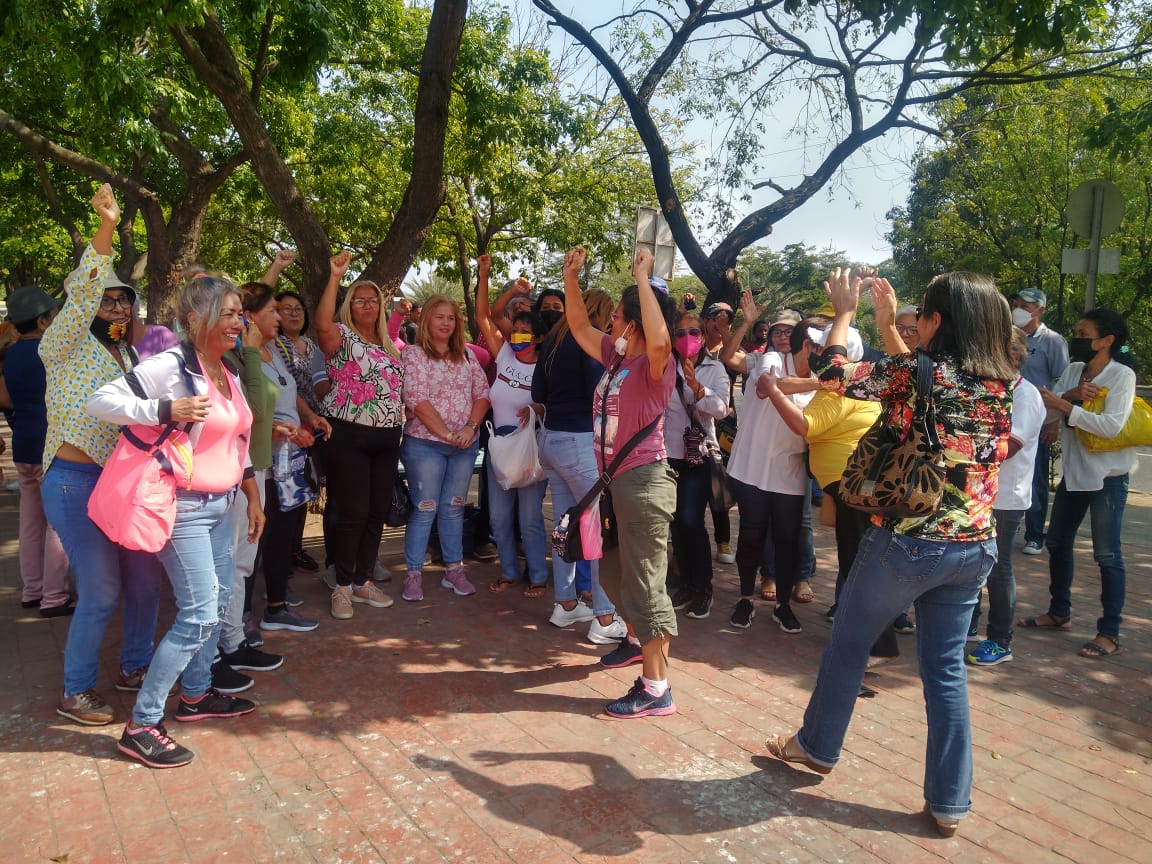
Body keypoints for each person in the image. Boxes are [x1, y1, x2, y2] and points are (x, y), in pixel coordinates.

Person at [767, 268, 1014, 839]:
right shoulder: (1001, 383)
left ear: (936, 322)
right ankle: (950, 803)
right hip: (974, 547)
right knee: (945, 673)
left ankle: (817, 746)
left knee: (849, 645)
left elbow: (832, 371)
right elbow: (919, 383)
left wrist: (846, 312)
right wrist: (887, 320)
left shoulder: (917, 373)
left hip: (908, 541)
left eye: (921, 316)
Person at [87, 272, 267, 768]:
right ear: (194, 317)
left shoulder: (224, 367)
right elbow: (101, 401)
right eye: (228, 312)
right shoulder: (171, 365)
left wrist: (250, 495)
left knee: (222, 597)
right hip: (182, 506)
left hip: (220, 504)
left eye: (239, 313)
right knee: (199, 614)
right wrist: (164, 407)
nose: (238, 321)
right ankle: (142, 724)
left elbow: (235, 439)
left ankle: (197, 694)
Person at [41, 185, 164, 726]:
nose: (115, 305)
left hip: (123, 487)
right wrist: (107, 228)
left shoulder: (130, 352)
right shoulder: (62, 344)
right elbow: (87, 283)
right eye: (107, 298)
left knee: (143, 579)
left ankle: (135, 667)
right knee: (101, 588)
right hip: (72, 482)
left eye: (124, 300)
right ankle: (75, 690)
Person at [562, 246, 678, 717]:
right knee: (612, 570)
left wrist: (644, 280)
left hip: (644, 482)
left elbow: (662, 341)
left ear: (633, 322)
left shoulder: (655, 363)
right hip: (613, 484)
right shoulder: (615, 358)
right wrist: (570, 278)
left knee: (645, 585)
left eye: (616, 316)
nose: (608, 321)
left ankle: (657, 689)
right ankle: (636, 643)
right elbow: (577, 326)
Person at [1020, 308, 1136, 659]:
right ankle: (1059, 612)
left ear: (1106, 340)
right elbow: (1046, 410)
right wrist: (1067, 397)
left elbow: (1111, 426)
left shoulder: (1121, 375)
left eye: (1084, 332)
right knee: (1057, 543)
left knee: (1107, 554)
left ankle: (1109, 631)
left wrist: (1065, 407)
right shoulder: (1072, 370)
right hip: (1074, 476)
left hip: (1107, 479)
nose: (1077, 337)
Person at [530, 282, 623, 642]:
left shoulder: (553, 341)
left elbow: (537, 393)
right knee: (596, 530)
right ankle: (603, 618)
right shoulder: (591, 342)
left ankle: (566, 605)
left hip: (550, 439)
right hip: (581, 441)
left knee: (566, 526)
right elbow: (598, 394)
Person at [720, 294, 816, 633]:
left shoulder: (822, 370)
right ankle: (745, 599)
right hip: (752, 466)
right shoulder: (769, 359)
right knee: (751, 534)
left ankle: (782, 605)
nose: (783, 336)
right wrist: (745, 322)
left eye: (791, 332)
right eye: (777, 329)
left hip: (790, 469)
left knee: (789, 539)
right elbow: (762, 384)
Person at [316, 252, 405, 619]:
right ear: (349, 305)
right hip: (348, 434)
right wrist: (335, 277)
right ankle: (342, 586)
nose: (367, 305)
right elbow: (321, 324)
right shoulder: (342, 336)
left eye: (373, 300)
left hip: (387, 437)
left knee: (375, 511)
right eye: (360, 299)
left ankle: (363, 580)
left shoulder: (388, 344)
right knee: (351, 512)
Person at [399, 295, 490, 601]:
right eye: (439, 317)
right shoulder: (413, 355)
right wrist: (449, 433)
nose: (446, 323)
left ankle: (454, 570)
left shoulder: (466, 356)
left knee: (453, 508)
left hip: (464, 445)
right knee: (426, 508)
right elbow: (416, 398)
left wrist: (469, 429)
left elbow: (483, 394)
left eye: (451, 318)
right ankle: (413, 574)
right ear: (427, 321)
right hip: (426, 444)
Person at [474, 254, 553, 600]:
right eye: (515, 329)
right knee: (499, 518)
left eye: (526, 331)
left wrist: (537, 407)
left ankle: (537, 575)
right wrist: (485, 274)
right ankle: (509, 570)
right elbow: (486, 316)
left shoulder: (548, 366)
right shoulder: (504, 353)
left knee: (531, 519)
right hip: (499, 445)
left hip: (531, 446)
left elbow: (555, 403)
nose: (518, 334)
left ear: (537, 337)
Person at [965, 326, 1044, 666]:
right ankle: (968, 624)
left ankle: (1000, 640)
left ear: (1013, 356)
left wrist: (961, 444)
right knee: (970, 563)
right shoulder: (990, 391)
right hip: (978, 492)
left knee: (999, 569)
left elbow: (1008, 448)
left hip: (1005, 498)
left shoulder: (1026, 397)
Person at [1, 285, 71, 616]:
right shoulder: (51, 353)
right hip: (50, 446)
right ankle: (54, 596)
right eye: (53, 314)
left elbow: (7, 400)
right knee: (56, 523)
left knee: (30, 521)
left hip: (24, 444)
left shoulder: (11, 354)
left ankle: (33, 589)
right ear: (43, 321)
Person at [664, 309, 730, 620]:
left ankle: (702, 587)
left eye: (693, 332)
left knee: (691, 521)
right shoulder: (663, 365)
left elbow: (721, 410)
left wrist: (696, 386)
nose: (686, 338)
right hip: (667, 455)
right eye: (680, 333)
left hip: (698, 455)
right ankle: (684, 582)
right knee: (676, 524)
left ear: (703, 337)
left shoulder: (715, 369)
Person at [1012, 288, 1069, 555]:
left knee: (1035, 476)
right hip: (1005, 414)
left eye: (1027, 305)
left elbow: (1062, 382)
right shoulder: (1007, 335)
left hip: (1037, 417)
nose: (1021, 309)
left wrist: (1054, 421)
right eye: (1018, 304)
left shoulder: (1052, 341)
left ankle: (1035, 534)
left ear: (1041, 310)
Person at [700, 301, 737, 564]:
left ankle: (723, 540)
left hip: (727, 423)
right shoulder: (694, 349)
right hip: (701, 422)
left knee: (718, 482)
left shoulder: (734, 352)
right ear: (705, 320)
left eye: (726, 319)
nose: (720, 323)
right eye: (715, 317)